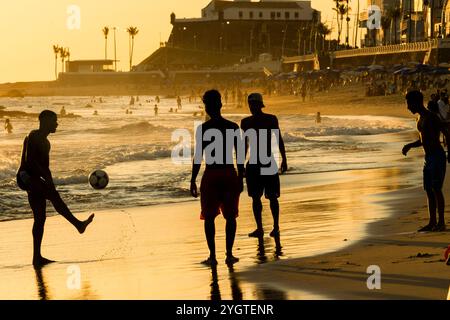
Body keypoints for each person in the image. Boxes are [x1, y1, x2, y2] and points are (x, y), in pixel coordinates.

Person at [16, 110, 95, 267]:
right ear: (45, 121)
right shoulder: (33, 136)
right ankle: (78, 225)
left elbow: (45, 167)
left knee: (40, 218)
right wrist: (48, 184)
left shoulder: (46, 142)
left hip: (34, 179)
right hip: (26, 177)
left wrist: (50, 182)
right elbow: (30, 162)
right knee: (54, 197)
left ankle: (36, 257)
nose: (57, 124)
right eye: (54, 120)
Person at [190, 90, 244, 266]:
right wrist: (241, 177)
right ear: (220, 105)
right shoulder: (232, 127)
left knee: (209, 217)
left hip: (211, 174)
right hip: (229, 173)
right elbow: (240, 155)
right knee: (230, 217)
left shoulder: (203, 129)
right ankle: (228, 254)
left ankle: (213, 256)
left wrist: (192, 180)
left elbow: (198, 156)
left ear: (206, 107)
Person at [241, 93, 288, 238]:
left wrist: (284, 159)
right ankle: (259, 228)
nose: (251, 107)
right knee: (255, 198)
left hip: (267, 161)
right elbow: (245, 145)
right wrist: (240, 164)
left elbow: (278, 139)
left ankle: (276, 227)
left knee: (273, 196)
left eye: (253, 104)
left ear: (259, 105)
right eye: (250, 104)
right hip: (254, 163)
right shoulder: (245, 122)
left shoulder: (271, 119)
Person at [402, 91, 448, 232]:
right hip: (428, 158)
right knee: (428, 189)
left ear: (417, 102)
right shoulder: (420, 119)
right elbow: (424, 140)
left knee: (436, 189)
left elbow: (446, 132)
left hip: (437, 156)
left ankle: (441, 222)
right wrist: (409, 145)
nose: (408, 107)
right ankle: (432, 221)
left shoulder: (431, 117)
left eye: (409, 104)